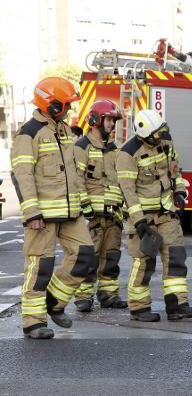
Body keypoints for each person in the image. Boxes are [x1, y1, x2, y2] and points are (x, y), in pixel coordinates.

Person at [11, 77, 95, 339]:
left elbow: (72, 172)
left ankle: (54, 302)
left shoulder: (65, 130)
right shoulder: (28, 133)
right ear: (52, 103)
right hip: (42, 216)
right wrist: (31, 213)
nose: (69, 110)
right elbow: (22, 175)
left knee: (84, 255)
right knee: (40, 267)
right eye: (66, 105)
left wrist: (81, 204)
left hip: (71, 212)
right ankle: (33, 322)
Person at [116, 109, 192, 322]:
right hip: (143, 218)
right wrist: (139, 223)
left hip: (167, 215)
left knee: (176, 259)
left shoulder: (165, 141)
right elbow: (128, 192)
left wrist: (180, 191)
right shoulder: (127, 153)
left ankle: (177, 306)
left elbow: (175, 171)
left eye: (160, 133)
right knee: (144, 263)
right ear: (143, 133)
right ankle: (138, 308)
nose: (158, 138)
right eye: (154, 135)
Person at [72, 100, 127, 312]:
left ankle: (109, 295)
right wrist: (85, 206)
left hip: (113, 216)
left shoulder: (113, 149)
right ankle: (83, 297)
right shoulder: (81, 147)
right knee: (89, 258)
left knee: (111, 257)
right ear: (95, 120)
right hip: (91, 217)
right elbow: (77, 180)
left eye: (113, 120)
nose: (112, 124)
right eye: (109, 119)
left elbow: (120, 180)